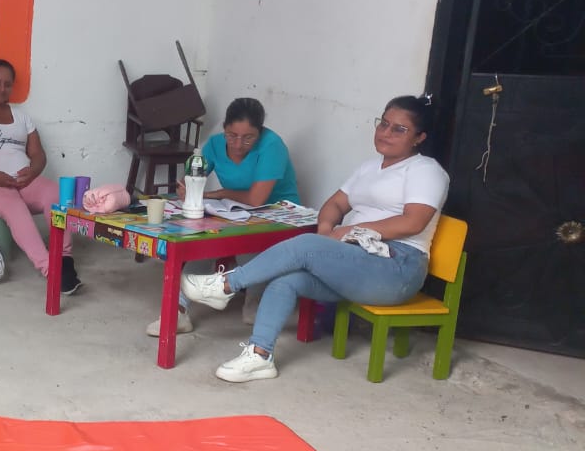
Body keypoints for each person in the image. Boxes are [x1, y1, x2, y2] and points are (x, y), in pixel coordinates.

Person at [180, 95, 449, 383]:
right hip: (356, 259)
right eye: (383, 123)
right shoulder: (369, 168)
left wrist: (349, 231)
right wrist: (326, 232)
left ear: (419, 137)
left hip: (396, 267)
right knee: (286, 281)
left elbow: (413, 222)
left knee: (305, 246)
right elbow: (335, 204)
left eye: (399, 129)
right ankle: (260, 355)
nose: (386, 133)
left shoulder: (426, 171)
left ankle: (225, 285)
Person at [148, 98, 300, 336]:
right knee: (199, 238)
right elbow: (192, 180)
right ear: (224, 129)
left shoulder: (272, 146)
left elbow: (256, 200)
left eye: (248, 138)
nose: (238, 144)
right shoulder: (215, 145)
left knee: (249, 241)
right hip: (235, 211)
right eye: (232, 135)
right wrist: (188, 189)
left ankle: (255, 302)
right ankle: (178, 311)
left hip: (278, 213)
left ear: (260, 132)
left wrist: (217, 194)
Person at [0, 59, 81, 294]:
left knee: (56, 194)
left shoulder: (21, 118)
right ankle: (50, 269)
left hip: (22, 181)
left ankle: (64, 257)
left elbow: (38, 154)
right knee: (13, 205)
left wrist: (33, 171)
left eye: (7, 84)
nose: (1, 89)